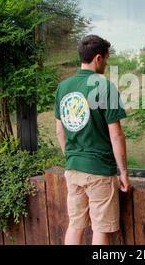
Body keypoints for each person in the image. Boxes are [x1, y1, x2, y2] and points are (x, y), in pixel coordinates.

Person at [54, 34, 130, 245]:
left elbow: (59, 132)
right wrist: (123, 172)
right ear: (98, 58)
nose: (106, 63)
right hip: (99, 171)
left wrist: (73, 158)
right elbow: (116, 135)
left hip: (73, 169)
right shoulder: (104, 86)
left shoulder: (63, 87)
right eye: (106, 58)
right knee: (100, 229)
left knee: (75, 225)